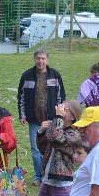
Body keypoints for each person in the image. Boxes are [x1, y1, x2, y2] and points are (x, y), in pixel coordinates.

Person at [17, 49, 66, 185]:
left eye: (43, 58)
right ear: (34, 59)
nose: (40, 61)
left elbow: (61, 96)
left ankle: (50, 174)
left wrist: (60, 115)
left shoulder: (55, 75)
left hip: (52, 119)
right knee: (36, 150)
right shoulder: (27, 75)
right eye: (38, 58)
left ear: (47, 60)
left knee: (53, 148)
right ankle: (38, 177)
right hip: (34, 120)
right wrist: (22, 114)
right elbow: (21, 96)